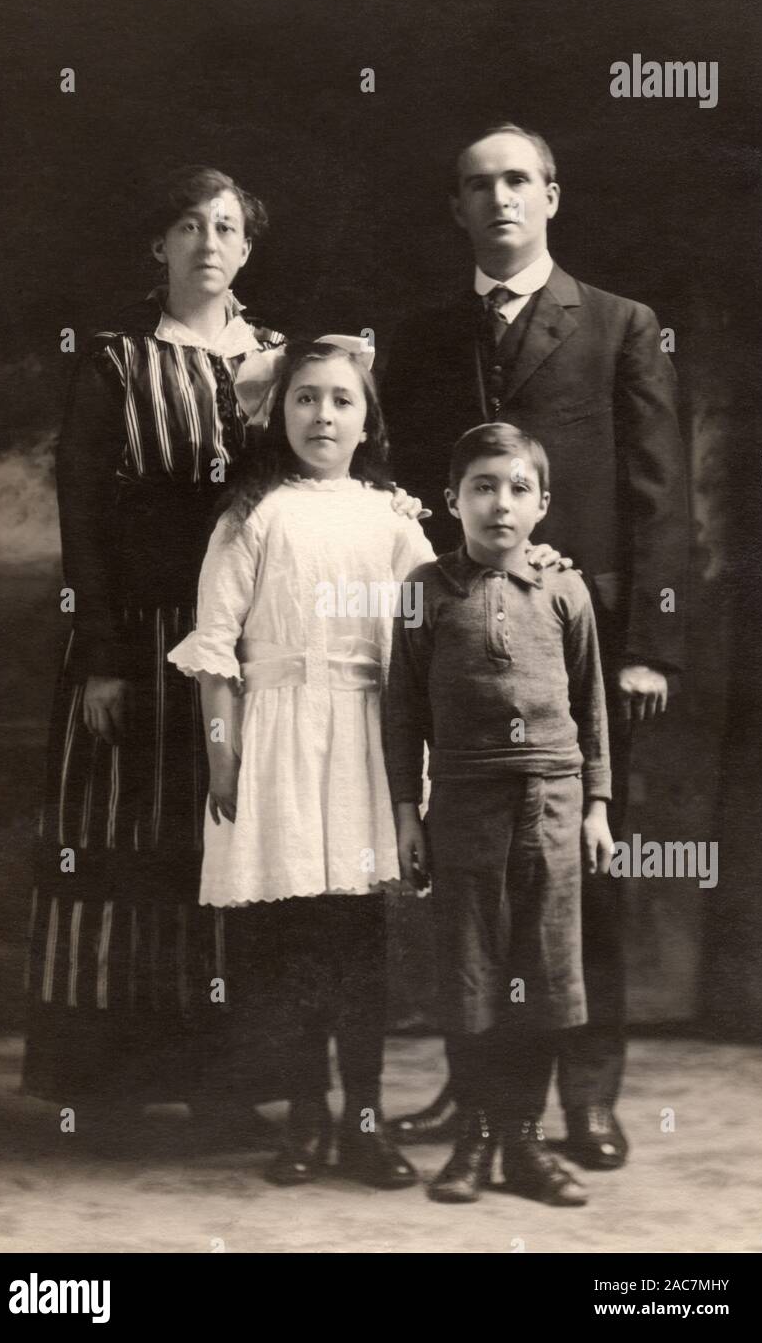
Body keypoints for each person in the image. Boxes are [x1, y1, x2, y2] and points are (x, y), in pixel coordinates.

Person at [383, 122, 689, 1168]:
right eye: (478, 185)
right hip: (463, 650)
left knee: (581, 874)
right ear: (456, 208)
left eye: (519, 180)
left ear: (552, 195)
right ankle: (474, 1096)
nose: (499, 198)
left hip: (581, 651)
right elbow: (409, 498)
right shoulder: (424, 337)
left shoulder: (620, 327)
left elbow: (659, 498)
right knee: (474, 879)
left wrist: (647, 645)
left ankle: (584, 1099)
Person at [23, 166, 292, 1131]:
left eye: (226, 227)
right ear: (160, 246)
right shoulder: (113, 361)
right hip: (136, 637)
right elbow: (85, 514)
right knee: (125, 845)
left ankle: (227, 1088)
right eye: (187, 225)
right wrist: (100, 651)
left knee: (226, 848)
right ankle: (106, 1087)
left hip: (246, 650)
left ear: (247, 249)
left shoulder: (280, 359)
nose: (207, 242)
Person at [168, 336, 433, 1189]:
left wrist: (533, 563)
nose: (324, 414)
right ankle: (305, 1120)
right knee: (285, 945)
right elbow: (214, 653)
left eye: (342, 400)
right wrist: (222, 759)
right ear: (279, 414)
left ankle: (364, 1121)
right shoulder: (251, 516)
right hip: (276, 744)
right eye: (306, 398)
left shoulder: (394, 521)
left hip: (367, 743)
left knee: (357, 943)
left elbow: (443, 626)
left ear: (367, 419)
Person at [386, 423, 614, 1205]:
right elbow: (402, 712)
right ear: (452, 500)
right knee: (472, 974)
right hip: (465, 807)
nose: (500, 504)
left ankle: (525, 1145)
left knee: (544, 978)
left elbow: (591, 707)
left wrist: (597, 806)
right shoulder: (424, 590)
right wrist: (407, 815)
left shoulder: (565, 591)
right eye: (482, 487)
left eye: (519, 488)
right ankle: (475, 1143)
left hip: (551, 804)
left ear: (543, 504)